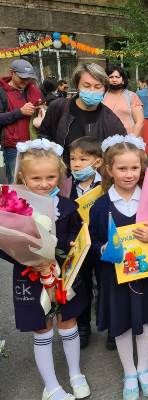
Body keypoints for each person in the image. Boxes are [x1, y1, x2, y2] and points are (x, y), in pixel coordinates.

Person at [1, 138, 90, 400]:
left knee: (68, 320)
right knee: (42, 327)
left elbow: (75, 232)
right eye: (36, 178)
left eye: (51, 177)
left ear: (59, 175)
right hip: (30, 276)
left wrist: (72, 243)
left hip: (63, 274)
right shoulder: (12, 208)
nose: (44, 183)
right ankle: (50, 386)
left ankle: (75, 373)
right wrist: (28, 260)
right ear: (22, 177)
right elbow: (4, 244)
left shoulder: (67, 206)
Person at [89, 135, 148, 399]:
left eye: (134, 167)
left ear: (142, 168)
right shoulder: (100, 206)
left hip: (147, 273)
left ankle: (143, 368)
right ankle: (129, 372)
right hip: (114, 276)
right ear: (109, 170)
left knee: (145, 319)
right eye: (122, 168)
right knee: (122, 321)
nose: (129, 174)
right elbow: (91, 241)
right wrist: (102, 249)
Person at [39, 63, 126, 165]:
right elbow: (44, 136)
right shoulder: (58, 108)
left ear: (105, 89)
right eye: (86, 86)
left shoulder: (111, 120)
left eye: (98, 87)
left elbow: (120, 153)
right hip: (62, 172)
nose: (92, 91)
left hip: (96, 174)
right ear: (77, 86)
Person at [67, 137, 103, 348]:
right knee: (82, 285)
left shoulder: (105, 184)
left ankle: (110, 324)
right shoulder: (66, 185)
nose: (77, 164)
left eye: (83, 159)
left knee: (105, 283)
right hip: (78, 244)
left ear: (97, 162)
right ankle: (83, 325)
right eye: (73, 159)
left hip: (100, 242)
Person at [0, 59, 41, 183]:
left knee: (35, 181)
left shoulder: (33, 90)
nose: (25, 81)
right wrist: (20, 112)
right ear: (12, 73)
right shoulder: (2, 92)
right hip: (13, 147)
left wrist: (41, 111)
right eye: (22, 77)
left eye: (28, 78)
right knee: (16, 182)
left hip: (34, 144)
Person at [103, 65, 144, 137]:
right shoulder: (102, 95)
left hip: (127, 139)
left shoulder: (131, 96)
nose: (114, 80)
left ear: (123, 80)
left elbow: (139, 121)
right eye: (111, 77)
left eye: (117, 77)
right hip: (105, 139)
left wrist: (131, 140)